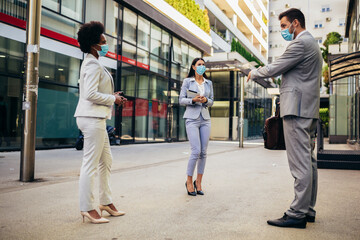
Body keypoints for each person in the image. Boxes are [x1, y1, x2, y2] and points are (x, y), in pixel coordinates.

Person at [248, 8, 322, 229]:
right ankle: (307, 209)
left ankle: (297, 213)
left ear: (295, 23)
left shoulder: (300, 43)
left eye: (283, 26)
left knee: (300, 164)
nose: (282, 30)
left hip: (297, 111)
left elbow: (276, 67)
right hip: (306, 110)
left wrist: (255, 72)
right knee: (308, 162)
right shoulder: (312, 44)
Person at [75, 21, 127, 224]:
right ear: (94, 43)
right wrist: (112, 99)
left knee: (106, 161)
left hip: (97, 117)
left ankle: (105, 202)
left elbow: (96, 91)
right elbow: (88, 94)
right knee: (90, 165)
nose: (106, 41)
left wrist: (111, 95)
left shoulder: (95, 62)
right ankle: (87, 208)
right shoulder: (90, 63)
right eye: (103, 38)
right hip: (91, 118)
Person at [179, 58, 214, 196]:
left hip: (205, 119)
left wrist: (206, 100)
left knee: (204, 152)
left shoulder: (209, 83)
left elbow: (212, 101)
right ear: (193, 67)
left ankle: (198, 182)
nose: (202, 67)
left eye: (203, 65)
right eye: (199, 65)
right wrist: (193, 100)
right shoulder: (187, 81)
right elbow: (181, 100)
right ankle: (188, 181)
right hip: (192, 119)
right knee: (196, 151)